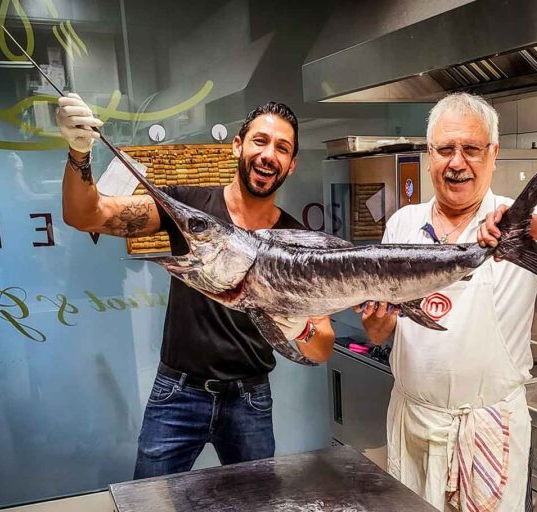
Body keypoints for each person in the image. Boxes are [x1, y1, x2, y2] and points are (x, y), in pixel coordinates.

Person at [359, 92, 537, 511]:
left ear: (493, 154)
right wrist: (376, 324)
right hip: (413, 420)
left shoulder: (514, 222)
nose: (457, 162)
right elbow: (387, 327)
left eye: (471, 149)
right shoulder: (402, 223)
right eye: (445, 149)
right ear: (429, 155)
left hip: (487, 428)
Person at [56, 94, 335, 478]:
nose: (269, 154)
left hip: (249, 400)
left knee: (256, 507)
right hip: (177, 393)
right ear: (237, 145)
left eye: (282, 148)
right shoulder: (190, 210)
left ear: (292, 164)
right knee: (148, 503)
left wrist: (298, 328)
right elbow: (85, 214)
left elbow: (322, 345)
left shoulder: (297, 241)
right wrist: (78, 153)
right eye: (260, 140)